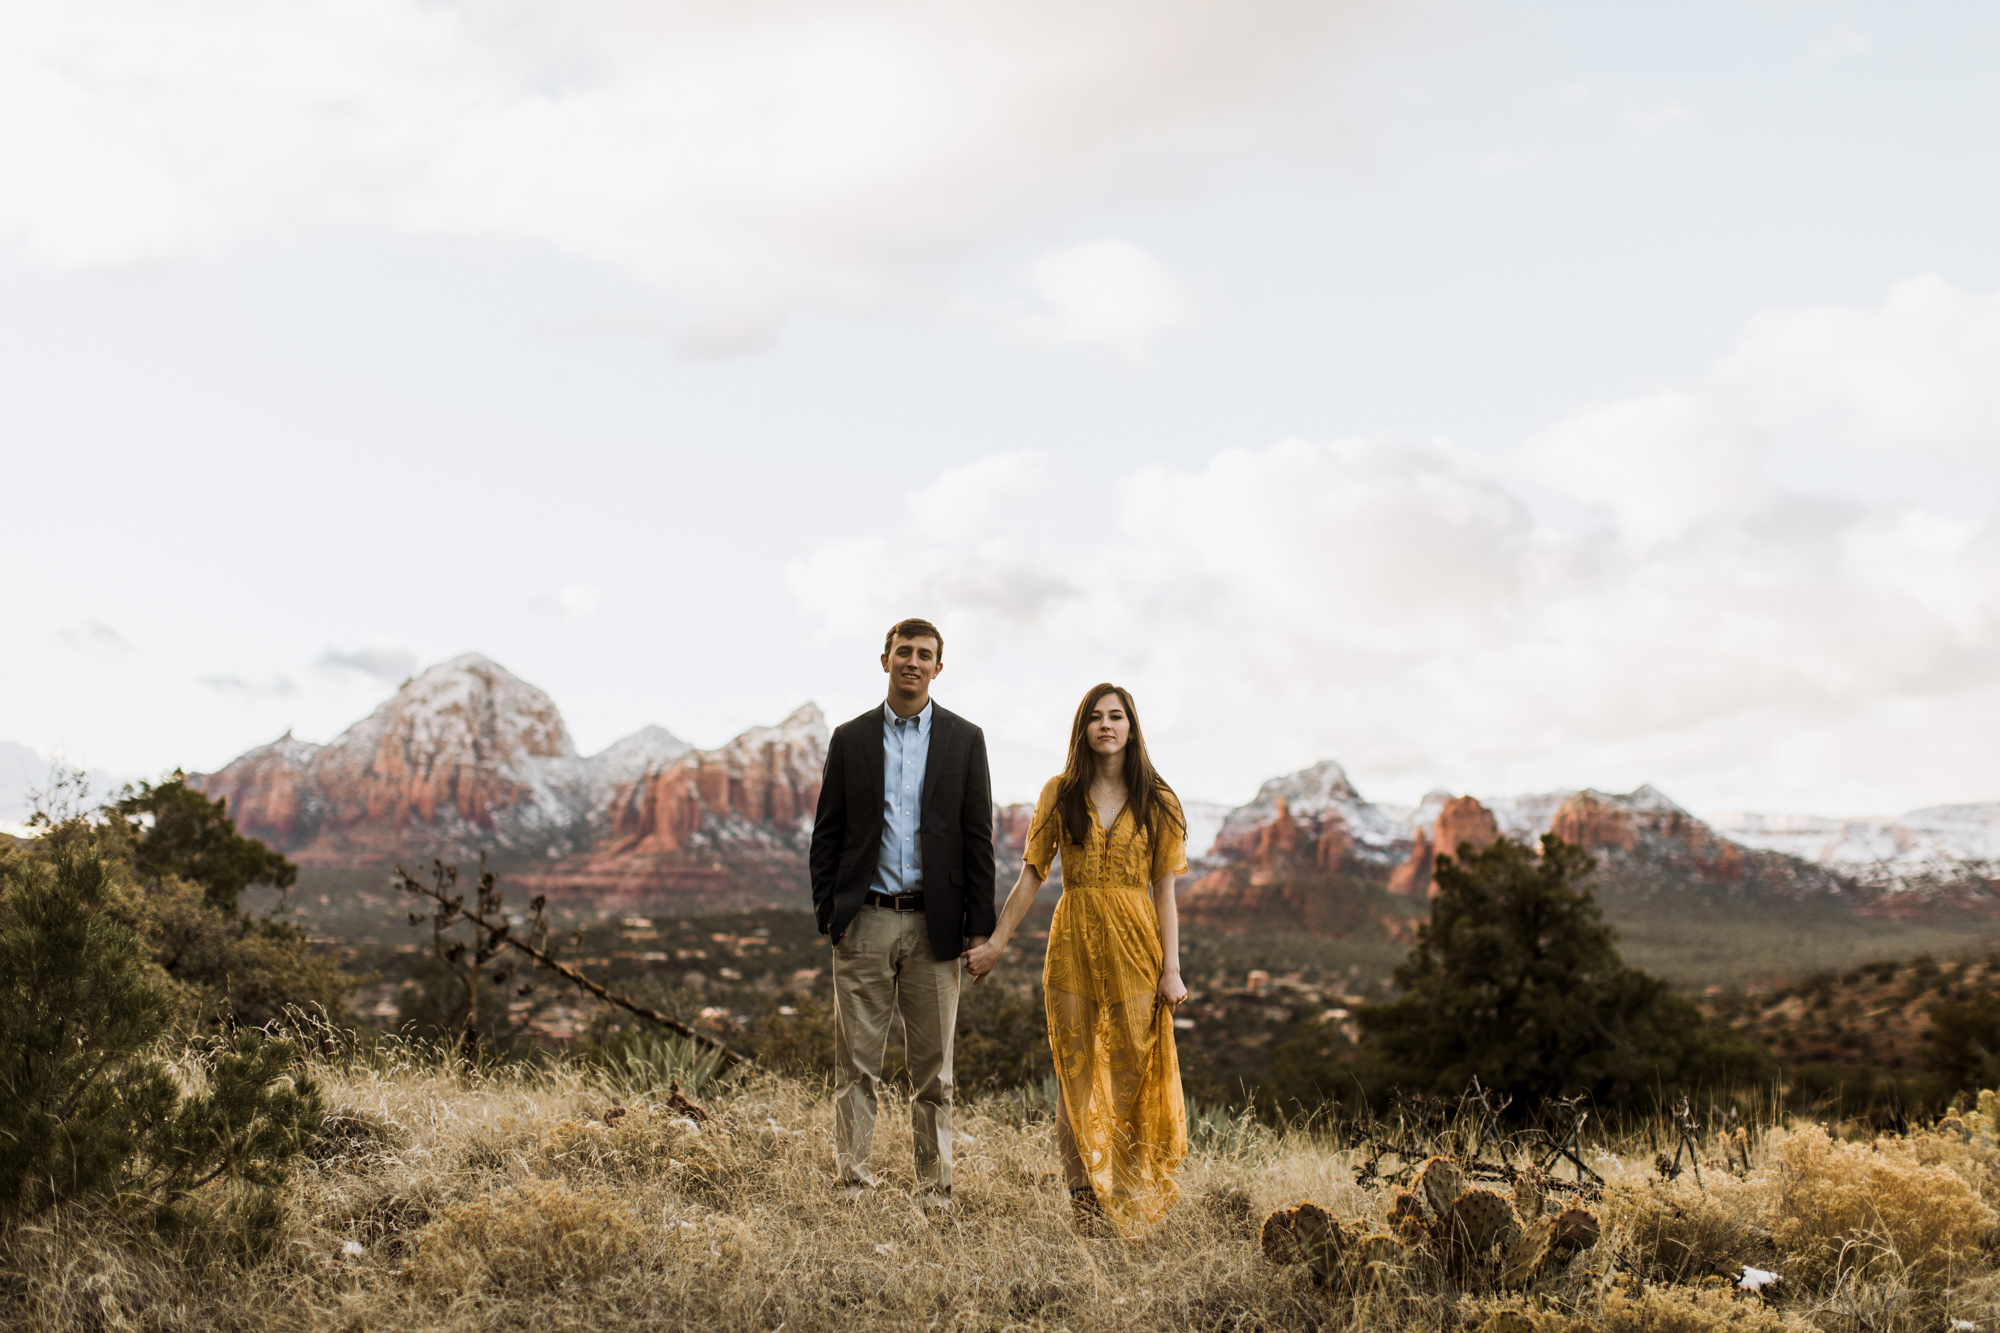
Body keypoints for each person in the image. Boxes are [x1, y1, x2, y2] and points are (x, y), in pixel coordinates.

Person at [962, 682, 1189, 1234]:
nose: (1105, 725)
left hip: (1138, 943)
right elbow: (1032, 875)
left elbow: (1165, 891)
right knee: (1075, 1070)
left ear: (1132, 728)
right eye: (1095, 717)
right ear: (1082, 728)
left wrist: (1172, 968)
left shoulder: (1158, 799)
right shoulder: (1059, 792)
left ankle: (1130, 1195)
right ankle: (1084, 1201)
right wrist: (996, 943)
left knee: (1134, 1068)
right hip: (1073, 942)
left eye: (1116, 716)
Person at [809, 618, 997, 1208]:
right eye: (903, 652)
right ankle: (853, 1186)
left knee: (933, 1073)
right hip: (864, 920)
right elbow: (828, 833)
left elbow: (978, 840)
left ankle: (934, 1191)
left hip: (936, 926)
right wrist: (829, 913)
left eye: (925, 655)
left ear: (939, 668)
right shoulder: (851, 738)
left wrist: (979, 929)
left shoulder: (965, 739)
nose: (912, 662)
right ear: (884, 659)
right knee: (856, 1067)